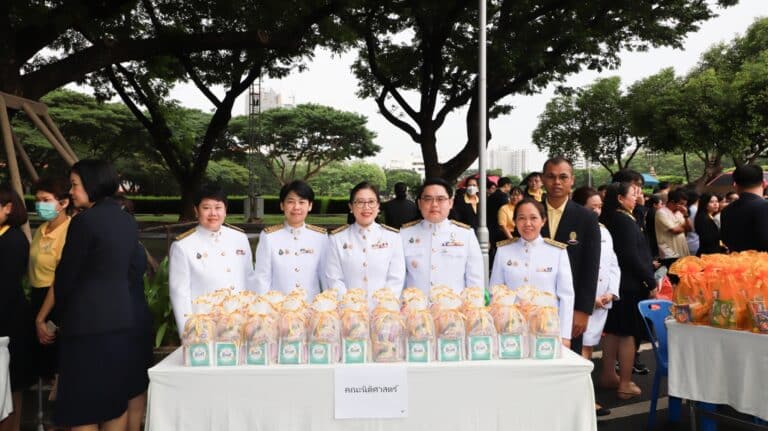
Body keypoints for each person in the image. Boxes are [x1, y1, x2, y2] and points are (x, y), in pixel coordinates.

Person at [53, 160, 138, 430]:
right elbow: (133, 271)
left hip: (85, 327)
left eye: (75, 185)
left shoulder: (84, 222)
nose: (71, 192)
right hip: (120, 321)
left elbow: (66, 277)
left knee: (82, 407)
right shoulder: (126, 220)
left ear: (92, 183)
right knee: (114, 401)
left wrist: (58, 317)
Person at [598, 182, 656, 400]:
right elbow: (631, 256)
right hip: (629, 285)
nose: (638, 196)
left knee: (614, 330)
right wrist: (650, 281)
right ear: (620, 198)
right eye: (633, 193)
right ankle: (625, 382)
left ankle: (608, 375)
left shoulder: (618, 218)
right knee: (628, 334)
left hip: (619, 284)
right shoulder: (623, 220)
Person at [169, 184, 254, 334]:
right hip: (205, 329)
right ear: (196, 211)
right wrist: (189, 333)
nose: (213, 213)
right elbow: (180, 294)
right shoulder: (183, 246)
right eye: (206, 208)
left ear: (225, 210)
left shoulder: (240, 238)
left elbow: (249, 281)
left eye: (218, 207)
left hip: (240, 326)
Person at [490, 198, 574, 346]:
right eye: (521, 218)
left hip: (547, 329)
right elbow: (495, 294)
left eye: (533, 218)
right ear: (515, 222)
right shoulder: (504, 250)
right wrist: (495, 330)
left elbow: (566, 296)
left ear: (543, 221)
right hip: (511, 330)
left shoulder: (557, 252)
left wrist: (565, 335)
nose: (527, 223)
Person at [540, 157, 601, 353]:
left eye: (563, 177)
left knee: (568, 358)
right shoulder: (531, 213)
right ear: (543, 179)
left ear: (572, 180)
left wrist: (583, 310)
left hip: (570, 306)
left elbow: (590, 267)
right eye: (551, 177)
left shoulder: (586, 218)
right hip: (534, 304)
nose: (557, 182)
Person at [572, 187, 620, 417]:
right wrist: (588, 298)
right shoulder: (572, 232)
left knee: (588, 348)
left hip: (602, 300)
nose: (597, 212)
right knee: (579, 350)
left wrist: (611, 292)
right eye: (592, 208)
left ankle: (584, 398)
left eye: (600, 207)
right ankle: (582, 400)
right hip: (582, 303)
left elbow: (612, 264)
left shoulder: (604, 231)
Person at [401, 178, 483, 295]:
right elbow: (399, 281)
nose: (434, 204)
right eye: (428, 199)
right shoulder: (404, 234)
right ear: (419, 203)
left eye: (440, 199)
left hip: (454, 305)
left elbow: (475, 281)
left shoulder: (466, 235)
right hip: (414, 305)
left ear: (450, 203)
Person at [326, 182, 405, 299]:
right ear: (351, 207)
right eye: (360, 202)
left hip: (384, 308)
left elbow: (396, 278)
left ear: (378, 206)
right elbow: (334, 279)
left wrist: (383, 305)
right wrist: (351, 305)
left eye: (371, 202)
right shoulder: (337, 239)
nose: (366, 207)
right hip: (347, 308)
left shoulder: (393, 237)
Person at [115, 196, 154, 431]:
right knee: (136, 385)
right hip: (136, 318)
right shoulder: (136, 246)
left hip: (122, 322)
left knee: (128, 385)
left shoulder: (116, 248)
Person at [29, 177, 72, 387]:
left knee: (58, 367)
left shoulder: (70, 231)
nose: (40, 205)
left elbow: (60, 279)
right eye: (37, 200)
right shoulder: (41, 230)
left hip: (55, 304)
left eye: (46, 200)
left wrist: (41, 318)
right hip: (37, 298)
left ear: (63, 203)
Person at [253, 180, 327, 299]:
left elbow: (325, 276)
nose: (296, 207)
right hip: (279, 307)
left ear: (310, 206)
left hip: (311, 306)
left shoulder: (320, 237)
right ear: (282, 205)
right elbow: (262, 278)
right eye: (291, 202)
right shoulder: (269, 237)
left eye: (302, 202)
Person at [0, 185, 33, 431]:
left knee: (9, 387)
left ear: (8, 208)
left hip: (8, 322)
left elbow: (7, 287)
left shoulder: (13, 240)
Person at [721, 164, 768, 252]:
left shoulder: (726, 211)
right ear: (764, 183)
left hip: (736, 259)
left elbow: (725, 240)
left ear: (735, 185)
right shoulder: (765, 207)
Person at [655, 188, 691, 269]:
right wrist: (684, 227)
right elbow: (675, 230)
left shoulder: (680, 212)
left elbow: (689, 229)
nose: (684, 207)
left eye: (685, 205)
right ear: (672, 202)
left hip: (682, 250)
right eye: (681, 204)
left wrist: (686, 215)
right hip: (669, 253)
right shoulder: (661, 212)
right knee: (671, 274)